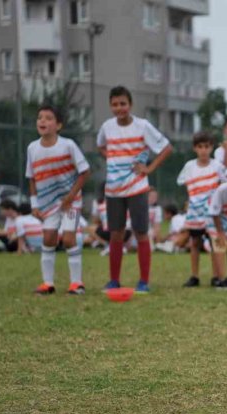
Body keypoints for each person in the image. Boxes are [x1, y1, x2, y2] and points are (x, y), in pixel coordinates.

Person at [97, 85, 172, 294]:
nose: (119, 108)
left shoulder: (143, 126)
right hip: (114, 190)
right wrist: (112, 158)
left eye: (123, 103)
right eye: (114, 104)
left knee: (140, 232)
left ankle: (144, 282)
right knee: (116, 234)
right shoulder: (107, 127)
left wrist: (149, 168)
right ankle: (114, 281)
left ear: (130, 105)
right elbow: (100, 145)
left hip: (137, 188)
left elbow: (166, 148)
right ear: (110, 106)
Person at [26, 104, 90, 295]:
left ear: (59, 125)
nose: (42, 121)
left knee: (69, 239)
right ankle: (48, 284)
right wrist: (34, 204)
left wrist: (71, 196)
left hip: (71, 202)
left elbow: (85, 172)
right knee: (48, 239)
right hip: (48, 204)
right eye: (40, 117)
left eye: (48, 118)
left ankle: (77, 284)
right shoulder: (32, 148)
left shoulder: (68, 145)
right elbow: (31, 178)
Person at [176, 131, 227, 288]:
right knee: (195, 242)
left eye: (206, 146)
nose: (203, 150)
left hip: (212, 212)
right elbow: (181, 182)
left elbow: (225, 182)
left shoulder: (217, 166)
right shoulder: (189, 166)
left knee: (214, 243)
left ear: (211, 147)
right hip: (195, 212)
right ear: (195, 148)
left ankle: (216, 276)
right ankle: (194, 276)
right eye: (200, 147)